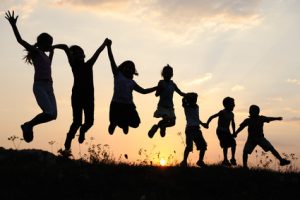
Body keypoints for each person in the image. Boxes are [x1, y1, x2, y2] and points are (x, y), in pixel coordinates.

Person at [5, 10, 57, 143]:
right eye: (49, 43)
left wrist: (53, 51)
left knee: (53, 115)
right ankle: (28, 125)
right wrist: (13, 25)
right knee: (49, 113)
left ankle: (28, 125)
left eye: (51, 43)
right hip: (39, 85)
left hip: (49, 86)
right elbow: (20, 40)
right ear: (41, 43)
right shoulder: (36, 52)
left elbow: (49, 63)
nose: (50, 45)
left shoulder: (45, 55)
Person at [52, 39, 109, 150]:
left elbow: (98, 52)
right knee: (77, 121)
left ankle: (82, 131)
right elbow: (64, 46)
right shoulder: (73, 65)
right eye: (75, 53)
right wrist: (52, 47)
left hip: (89, 97)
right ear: (73, 56)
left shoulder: (89, 64)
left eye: (80, 53)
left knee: (89, 122)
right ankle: (69, 137)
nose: (78, 54)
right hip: (77, 96)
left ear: (84, 55)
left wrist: (104, 44)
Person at [106, 39, 157, 135]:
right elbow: (111, 60)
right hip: (116, 105)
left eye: (131, 68)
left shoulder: (132, 82)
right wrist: (109, 47)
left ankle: (123, 123)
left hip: (128, 106)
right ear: (122, 68)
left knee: (136, 123)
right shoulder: (118, 75)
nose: (129, 69)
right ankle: (114, 123)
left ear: (133, 71)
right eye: (127, 67)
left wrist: (156, 88)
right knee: (112, 126)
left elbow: (143, 91)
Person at [148, 65, 186, 138]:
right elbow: (156, 94)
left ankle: (161, 126)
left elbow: (180, 93)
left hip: (170, 107)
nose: (168, 74)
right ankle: (157, 127)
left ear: (172, 74)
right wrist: (160, 89)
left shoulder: (173, 84)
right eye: (166, 73)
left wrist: (187, 95)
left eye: (170, 73)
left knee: (173, 123)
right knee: (166, 119)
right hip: (162, 106)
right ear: (163, 74)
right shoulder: (161, 82)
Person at [206, 97, 237, 166]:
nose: (234, 105)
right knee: (225, 145)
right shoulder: (222, 112)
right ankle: (225, 160)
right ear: (226, 105)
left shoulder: (232, 114)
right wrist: (207, 123)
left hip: (227, 131)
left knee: (233, 143)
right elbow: (212, 117)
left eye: (234, 104)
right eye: (232, 104)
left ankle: (232, 158)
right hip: (220, 131)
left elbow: (233, 123)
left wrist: (234, 132)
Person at [180, 93, 208, 167]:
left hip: (197, 129)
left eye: (196, 99)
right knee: (189, 147)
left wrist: (202, 124)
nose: (195, 100)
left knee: (203, 146)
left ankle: (200, 161)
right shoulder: (187, 107)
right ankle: (184, 161)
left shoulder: (196, 107)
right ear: (190, 100)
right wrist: (186, 96)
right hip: (189, 129)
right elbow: (183, 100)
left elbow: (196, 118)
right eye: (194, 99)